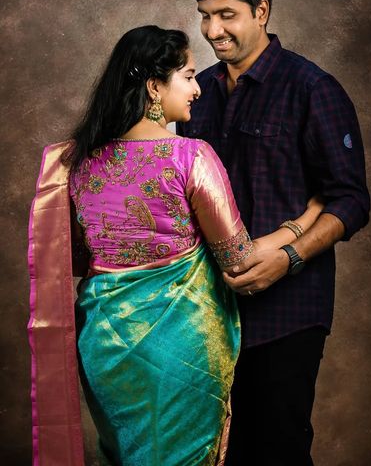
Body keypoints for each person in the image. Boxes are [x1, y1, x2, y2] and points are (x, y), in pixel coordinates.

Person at [28, 25, 324, 466]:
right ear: (154, 87)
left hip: (106, 346)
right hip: (180, 353)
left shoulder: (79, 163)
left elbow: (76, 259)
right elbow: (239, 262)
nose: (196, 89)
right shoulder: (191, 157)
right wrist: (302, 222)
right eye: (187, 76)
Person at [177, 0, 371, 465]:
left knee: (276, 450)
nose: (213, 30)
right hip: (209, 312)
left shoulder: (312, 89)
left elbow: (352, 199)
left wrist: (289, 256)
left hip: (288, 313)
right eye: (205, 16)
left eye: (226, 14)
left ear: (261, 10)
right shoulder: (198, 93)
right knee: (216, 454)